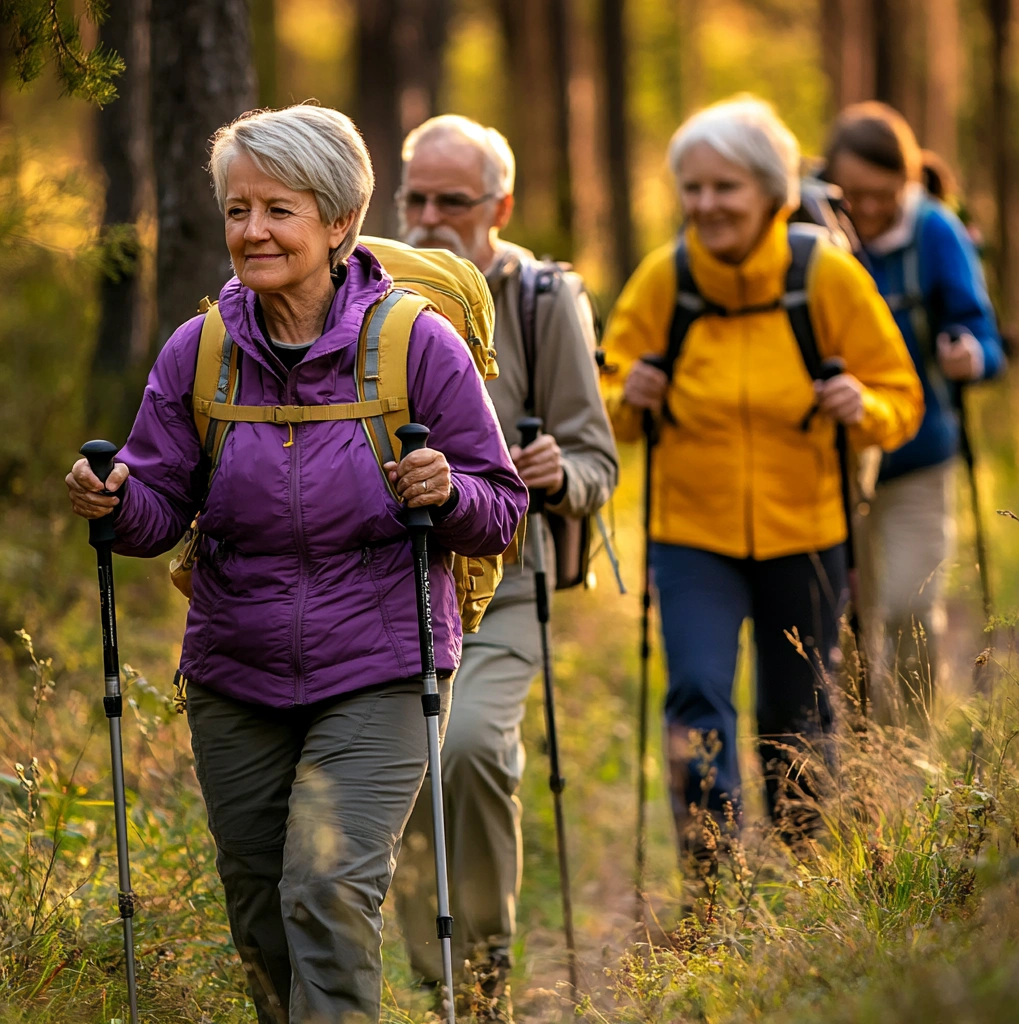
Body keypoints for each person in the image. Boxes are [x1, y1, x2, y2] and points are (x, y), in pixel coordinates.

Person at [65, 103, 527, 1024]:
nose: (253, 231)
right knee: (259, 909)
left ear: (339, 221)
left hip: (382, 666)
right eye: (239, 210)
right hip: (237, 670)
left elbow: (501, 508)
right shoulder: (201, 352)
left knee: (323, 889)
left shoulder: (414, 344)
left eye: (279, 209)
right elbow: (161, 505)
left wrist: (446, 490)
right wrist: (116, 503)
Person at [601, 96, 922, 853]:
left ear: (771, 193)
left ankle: (804, 866)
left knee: (799, 713)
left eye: (726, 187)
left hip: (807, 529)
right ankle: (711, 877)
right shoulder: (663, 281)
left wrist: (861, 406)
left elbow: (900, 400)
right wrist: (629, 398)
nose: (706, 205)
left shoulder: (828, 278)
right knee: (697, 696)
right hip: (691, 536)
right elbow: (604, 406)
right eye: (694, 188)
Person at [390, 114, 619, 1011]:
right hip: (385, 583)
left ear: (500, 205)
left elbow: (597, 460)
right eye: (417, 197)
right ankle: (432, 984)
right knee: (404, 761)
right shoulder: (367, 286)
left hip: (504, 586)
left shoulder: (541, 297)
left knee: (473, 750)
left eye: (455, 200)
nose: (431, 217)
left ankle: (482, 979)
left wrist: (562, 473)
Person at [825, 103, 1004, 722]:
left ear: (908, 181)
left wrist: (969, 354)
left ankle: (910, 758)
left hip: (919, 456)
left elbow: (983, 335)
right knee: (846, 622)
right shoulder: (813, 225)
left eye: (882, 194)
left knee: (906, 611)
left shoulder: (934, 231)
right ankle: (857, 756)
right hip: (833, 463)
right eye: (854, 194)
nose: (867, 208)